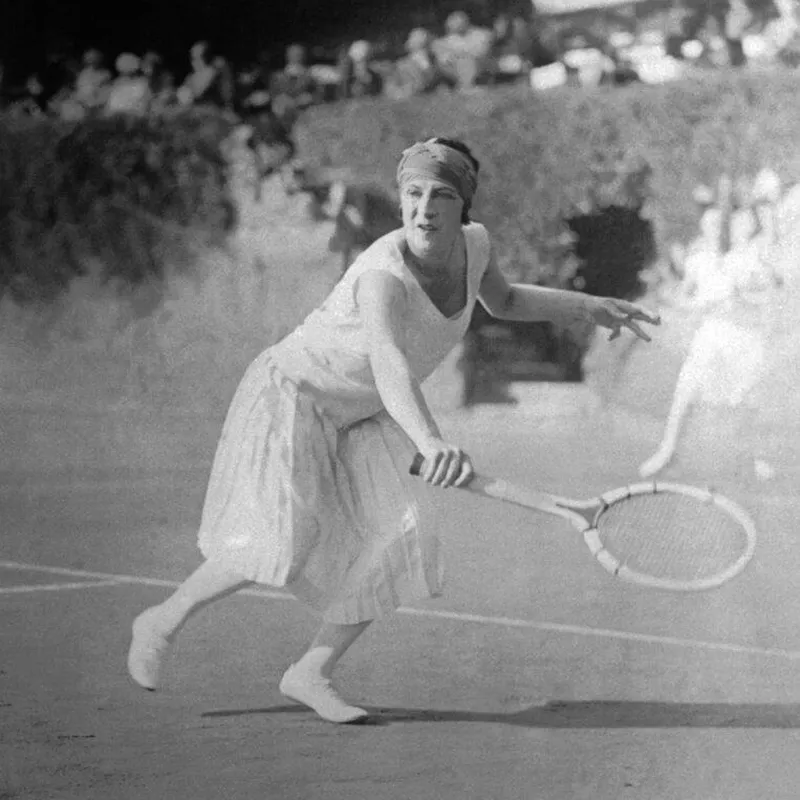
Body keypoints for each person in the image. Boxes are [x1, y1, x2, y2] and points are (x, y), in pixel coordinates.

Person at [127, 137, 660, 723]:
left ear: (464, 208)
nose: (424, 207)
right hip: (294, 395)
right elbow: (388, 360)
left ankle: (310, 673)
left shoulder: (475, 247)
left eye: (442, 195)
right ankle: (163, 619)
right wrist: (430, 440)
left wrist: (587, 306)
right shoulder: (381, 275)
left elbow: (504, 301)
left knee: (403, 535)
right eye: (413, 193)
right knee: (285, 540)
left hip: (363, 410)